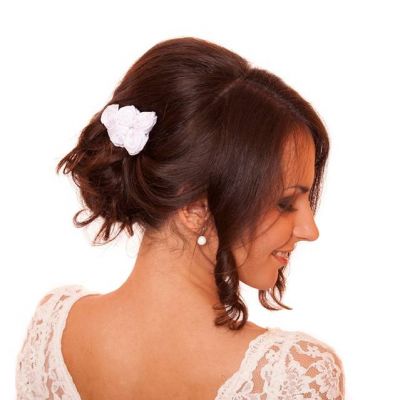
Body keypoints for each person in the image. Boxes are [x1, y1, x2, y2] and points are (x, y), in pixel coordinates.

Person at [15, 36, 345, 399]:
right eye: (285, 203)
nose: (310, 230)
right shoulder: (291, 375)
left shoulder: (53, 333)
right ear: (196, 208)